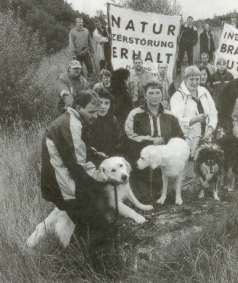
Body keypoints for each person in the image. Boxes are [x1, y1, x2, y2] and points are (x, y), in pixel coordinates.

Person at [41, 90, 116, 271]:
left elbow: (81, 148)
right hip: (64, 188)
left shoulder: (72, 120)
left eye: (97, 111)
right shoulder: (70, 125)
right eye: (91, 112)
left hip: (62, 185)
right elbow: (78, 164)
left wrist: (99, 156)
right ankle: (98, 272)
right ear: (78, 107)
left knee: (85, 225)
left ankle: (68, 264)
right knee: (100, 225)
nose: (96, 116)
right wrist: (105, 177)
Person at [125, 81, 184, 203]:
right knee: (144, 197)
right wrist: (150, 140)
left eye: (157, 93)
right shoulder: (135, 114)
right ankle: (144, 191)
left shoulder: (170, 116)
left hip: (164, 159)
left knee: (164, 193)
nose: (154, 96)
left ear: (162, 95)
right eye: (150, 93)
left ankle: (165, 190)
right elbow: (129, 135)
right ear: (145, 95)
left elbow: (179, 137)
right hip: (143, 155)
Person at [170, 66, 218, 158]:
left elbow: (213, 112)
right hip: (188, 141)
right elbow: (176, 121)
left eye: (197, 79)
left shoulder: (204, 91)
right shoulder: (178, 96)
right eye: (191, 79)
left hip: (206, 139)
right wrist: (194, 120)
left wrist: (211, 128)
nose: (195, 82)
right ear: (185, 79)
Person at [87, 87, 123, 161]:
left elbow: (119, 141)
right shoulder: (90, 119)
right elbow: (86, 142)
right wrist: (95, 153)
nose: (103, 106)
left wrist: (112, 156)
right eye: (100, 103)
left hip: (110, 157)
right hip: (92, 157)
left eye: (106, 103)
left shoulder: (113, 120)